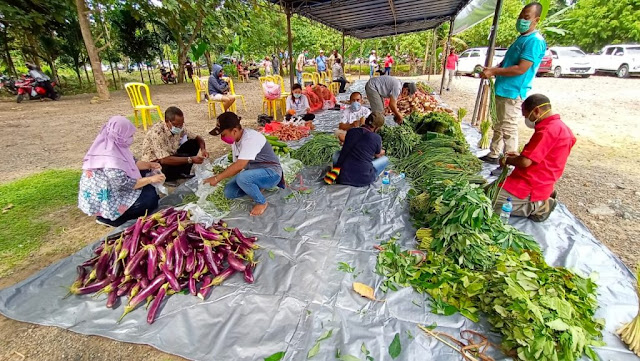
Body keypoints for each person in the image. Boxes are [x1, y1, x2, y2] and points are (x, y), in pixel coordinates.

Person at [479, 2, 547, 165]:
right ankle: (494, 154)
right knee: (498, 123)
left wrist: (494, 72)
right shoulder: (522, 38)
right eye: (520, 16)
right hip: (503, 88)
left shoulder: (534, 41)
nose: (521, 20)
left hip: (513, 90)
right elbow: (508, 62)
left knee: (508, 127)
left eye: (526, 17)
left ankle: (508, 164)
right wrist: (494, 68)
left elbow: (521, 68)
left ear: (536, 20)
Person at [493, 94, 575, 222]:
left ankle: (538, 206)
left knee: (488, 201)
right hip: (540, 180)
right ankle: (542, 198)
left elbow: (525, 162)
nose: (526, 119)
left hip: (531, 185)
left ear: (536, 111)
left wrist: (507, 160)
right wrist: (520, 156)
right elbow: (544, 156)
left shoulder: (547, 130)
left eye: (526, 115)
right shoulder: (561, 128)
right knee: (488, 192)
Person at [79, 116, 165, 227]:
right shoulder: (111, 158)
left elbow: (132, 163)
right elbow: (122, 184)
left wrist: (150, 165)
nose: (132, 138)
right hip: (108, 197)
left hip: (113, 186)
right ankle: (111, 218)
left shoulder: (112, 143)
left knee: (148, 179)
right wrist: (150, 179)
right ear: (120, 135)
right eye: (129, 135)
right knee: (150, 200)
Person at [205, 112, 283, 216]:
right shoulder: (235, 141)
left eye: (223, 134)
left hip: (272, 173)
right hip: (255, 172)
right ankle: (257, 186)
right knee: (229, 192)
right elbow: (235, 164)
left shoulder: (250, 139)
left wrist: (216, 178)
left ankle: (261, 202)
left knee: (242, 178)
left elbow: (239, 166)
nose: (222, 138)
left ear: (234, 131)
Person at [141, 106, 209, 182]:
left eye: (181, 124)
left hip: (170, 155)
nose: (179, 127)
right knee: (184, 158)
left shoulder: (180, 128)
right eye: (176, 125)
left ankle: (183, 173)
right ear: (167, 121)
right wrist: (190, 159)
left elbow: (198, 138)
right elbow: (164, 159)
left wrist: (203, 149)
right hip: (156, 164)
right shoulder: (157, 132)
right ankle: (169, 178)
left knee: (193, 143)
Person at [331, 112, 389, 187]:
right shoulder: (376, 138)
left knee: (336, 154)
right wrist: (383, 151)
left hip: (342, 177)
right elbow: (377, 154)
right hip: (363, 179)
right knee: (385, 159)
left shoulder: (351, 131)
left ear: (366, 121)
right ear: (377, 128)